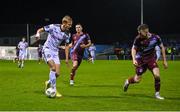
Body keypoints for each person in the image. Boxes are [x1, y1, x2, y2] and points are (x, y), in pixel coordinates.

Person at [123, 24, 168, 100]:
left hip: (151, 59)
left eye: (140, 32)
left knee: (157, 76)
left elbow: (162, 47)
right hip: (140, 60)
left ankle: (157, 94)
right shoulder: (138, 39)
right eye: (139, 32)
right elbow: (133, 49)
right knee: (137, 80)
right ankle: (128, 81)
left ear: (146, 31)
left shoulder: (156, 37)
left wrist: (164, 61)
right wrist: (134, 59)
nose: (139, 34)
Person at [36, 15, 73, 98]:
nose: (70, 26)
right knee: (53, 68)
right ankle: (54, 90)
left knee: (57, 74)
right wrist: (38, 34)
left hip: (55, 52)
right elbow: (40, 29)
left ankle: (48, 82)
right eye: (69, 24)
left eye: (71, 25)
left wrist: (67, 59)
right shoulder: (53, 27)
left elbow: (67, 46)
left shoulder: (67, 34)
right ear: (64, 23)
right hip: (47, 49)